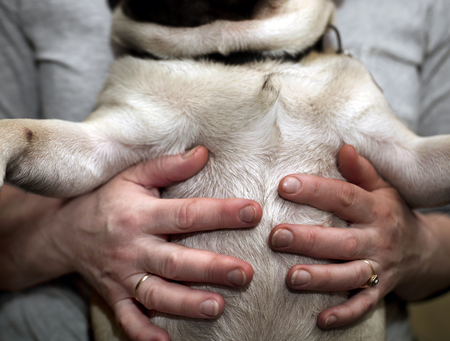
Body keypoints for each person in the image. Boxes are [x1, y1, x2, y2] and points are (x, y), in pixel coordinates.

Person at [0, 1, 449, 341]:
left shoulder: (345, 74)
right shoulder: (142, 75)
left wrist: (417, 244)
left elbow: (420, 168)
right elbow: (84, 153)